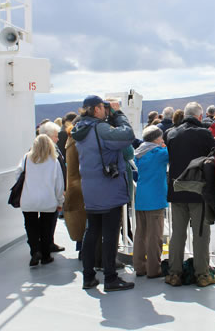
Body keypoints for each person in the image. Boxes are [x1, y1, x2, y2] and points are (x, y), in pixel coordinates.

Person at [71, 95, 135, 292]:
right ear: (97, 109)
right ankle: (110, 278)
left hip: (90, 190)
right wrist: (118, 113)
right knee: (110, 234)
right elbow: (127, 135)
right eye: (103, 107)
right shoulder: (100, 129)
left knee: (91, 233)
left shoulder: (80, 129)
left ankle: (88, 277)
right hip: (108, 190)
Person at [165, 101, 215, 287]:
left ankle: (174, 274)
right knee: (201, 234)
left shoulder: (171, 133)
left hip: (176, 189)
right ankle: (202, 274)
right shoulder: (204, 134)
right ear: (199, 116)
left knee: (178, 234)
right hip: (198, 191)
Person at [18, 134, 65, 267]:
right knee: (46, 227)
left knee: (30, 226)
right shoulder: (53, 161)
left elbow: (18, 174)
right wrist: (60, 201)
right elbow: (59, 184)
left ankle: (35, 251)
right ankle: (45, 255)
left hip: (29, 199)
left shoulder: (26, 158)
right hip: (48, 199)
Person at [133, 125, 169, 278]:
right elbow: (172, 154)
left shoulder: (139, 153)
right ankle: (154, 269)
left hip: (141, 197)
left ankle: (139, 267)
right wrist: (164, 146)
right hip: (155, 199)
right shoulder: (159, 153)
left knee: (141, 234)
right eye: (161, 137)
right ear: (156, 139)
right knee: (155, 236)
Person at [38, 121, 66, 253]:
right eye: (56, 135)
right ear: (48, 136)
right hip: (50, 192)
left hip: (51, 191)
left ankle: (48, 243)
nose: (58, 138)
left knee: (50, 220)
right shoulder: (47, 153)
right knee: (47, 221)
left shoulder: (53, 149)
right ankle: (46, 246)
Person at [63, 116, 87, 257]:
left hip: (74, 186)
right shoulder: (78, 142)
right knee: (85, 221)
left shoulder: (70, 140)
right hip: (81, 185)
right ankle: (85, 251)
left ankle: (82, 249)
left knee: (80, 220)